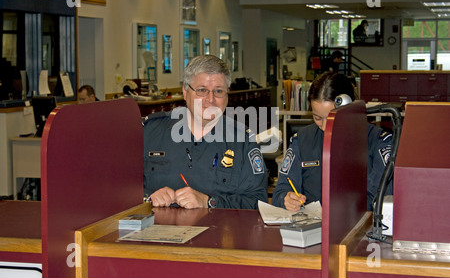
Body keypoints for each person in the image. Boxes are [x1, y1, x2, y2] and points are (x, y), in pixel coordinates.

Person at [143, 55, 268, 209]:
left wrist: (210, 202)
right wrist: (148, 197)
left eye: (218, 91)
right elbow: (118, 188)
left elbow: (257, 202)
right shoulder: (150, 131)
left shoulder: (242, 140)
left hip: (220, 231)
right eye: (202, 90)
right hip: (157, 230)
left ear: (227, 96)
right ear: (185, 91)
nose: (210, 99)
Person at [272, 71, 392, 211]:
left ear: (350, 107)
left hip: (359, 228)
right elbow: (280, 192)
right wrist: (286, 199)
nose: (324, 127)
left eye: (331, 119)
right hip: (312, 227)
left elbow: (383, 200)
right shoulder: (302, 140)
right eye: (317, 118)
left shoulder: (378, 142)